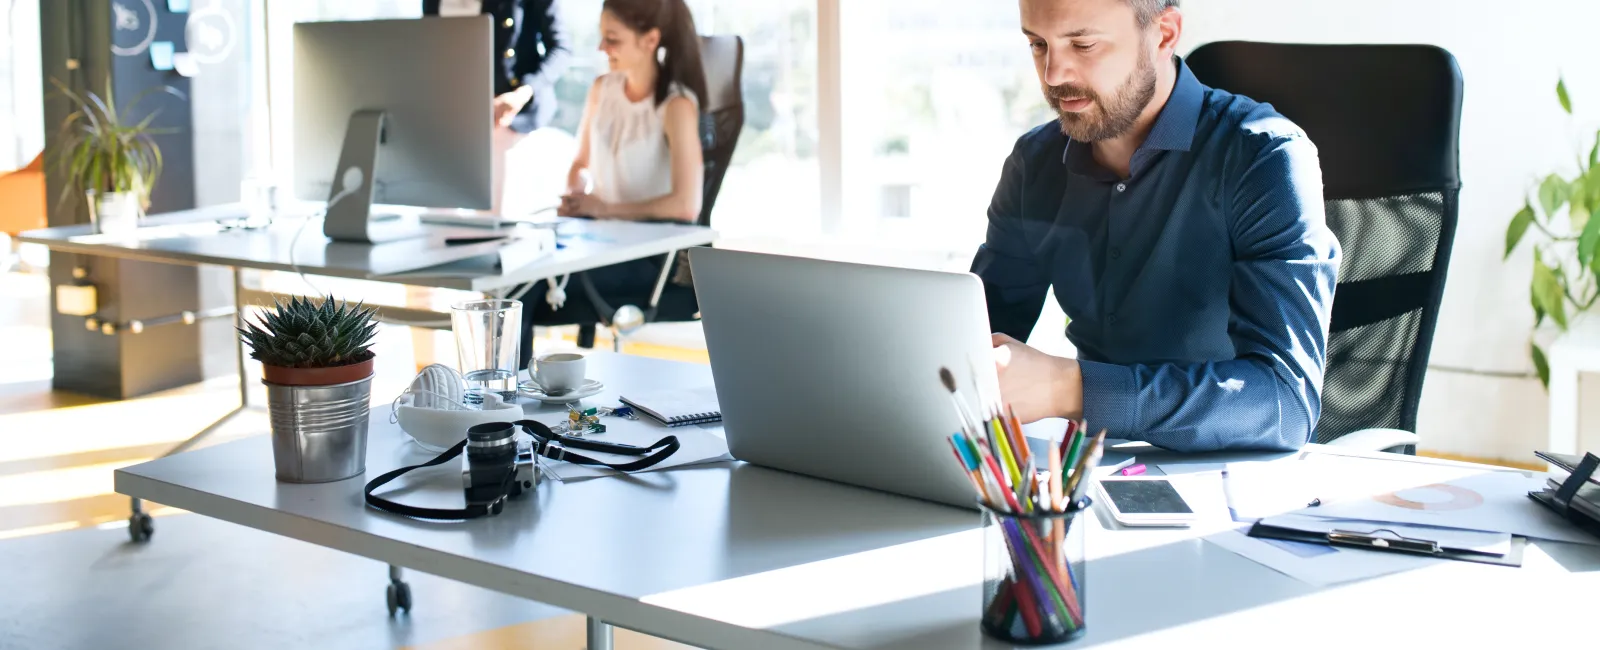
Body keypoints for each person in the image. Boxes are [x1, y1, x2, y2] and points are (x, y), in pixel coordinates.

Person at [975, 0, 1340, 452]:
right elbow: (973, 335)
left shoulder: (1264, 157)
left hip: (1232, 479)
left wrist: (1070, 389)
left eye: (1083, 44)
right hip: (1087, 468)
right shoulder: (1035, 163)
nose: (1053, 73)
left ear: (1164, 34)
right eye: (1037, 44)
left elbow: (1285, 403)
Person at [516, 0, 708, 369]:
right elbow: (580, 163)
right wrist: (577, 194)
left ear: (650, 40)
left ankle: (504, 410)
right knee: (511, 280)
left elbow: (687, 204)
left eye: (612, 39)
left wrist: (603, 209)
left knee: (522, 293)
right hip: (596, 244)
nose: (602, 48)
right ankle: (499, 406)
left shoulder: (676, 105)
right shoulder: (602, 89)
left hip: (649, 259)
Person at [423, 0, 572, 215]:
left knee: (492, 213)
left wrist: (522, 93)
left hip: (513, 112)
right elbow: (430, 45)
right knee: (437, 212)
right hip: (454, 109)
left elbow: (560, 48)